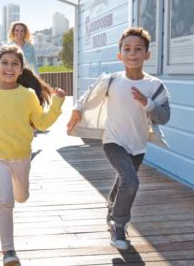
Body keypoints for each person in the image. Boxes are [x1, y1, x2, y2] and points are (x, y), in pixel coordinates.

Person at [67, 27, 170, 250]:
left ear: (147, 55)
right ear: (120, 55)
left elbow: (164, 117)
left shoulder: (155, 86)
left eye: (138, 49)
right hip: (113, 141)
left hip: (138, 145)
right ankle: (119, 224)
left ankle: (113, 207)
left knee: (124, 179)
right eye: (127, 49)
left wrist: (148, 103)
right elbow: (88, 95)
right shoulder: (112, 80)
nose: (132, 54)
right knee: (131, 181)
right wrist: (77, 110)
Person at [0, 46, 65, 265]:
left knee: (22, 196)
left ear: (20, 69)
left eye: (14, 63)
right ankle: (8, 252)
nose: (9, 67)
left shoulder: (27, 95)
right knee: (5, 202)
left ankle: (21, 193)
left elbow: (42, 122)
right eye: (4, 63)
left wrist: (56, 104)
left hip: (21, 157)